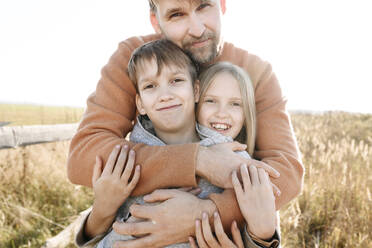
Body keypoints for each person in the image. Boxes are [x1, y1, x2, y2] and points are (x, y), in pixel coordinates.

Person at [68, 0, 304, 247]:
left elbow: (285, 172)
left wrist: (209, 214)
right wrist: (200, 160)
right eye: (176, 15)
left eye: (203, 6)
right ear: (155, 20)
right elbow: (84, 157)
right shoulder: (137, 57)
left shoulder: (256, 71)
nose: (197, 28)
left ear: (222, 4)